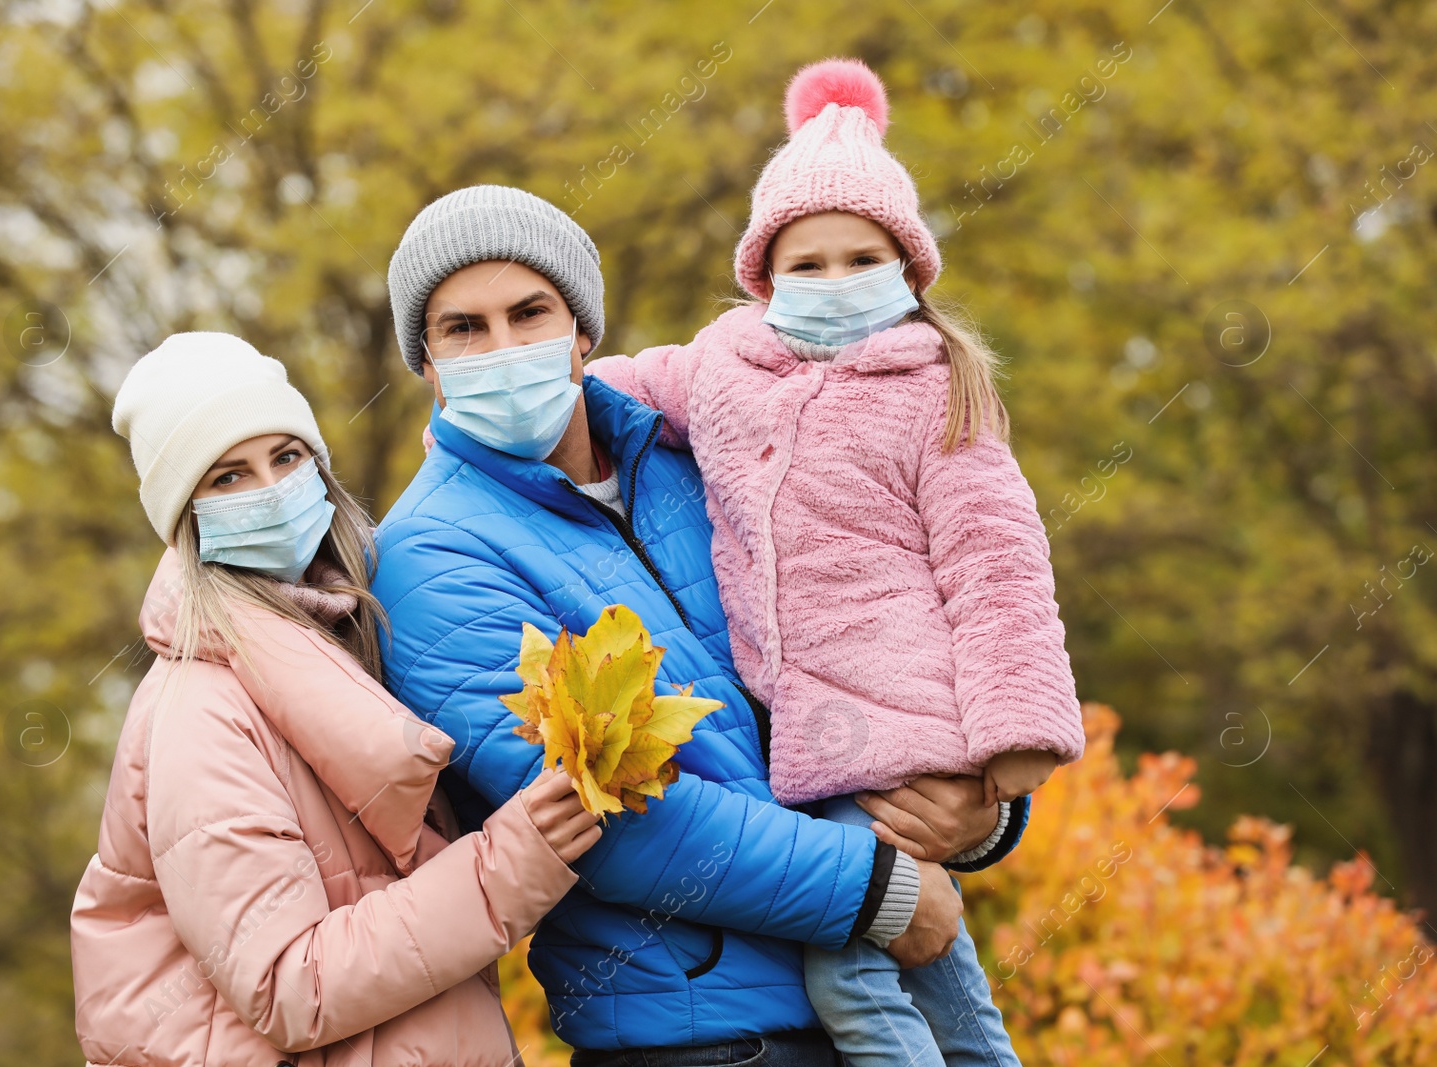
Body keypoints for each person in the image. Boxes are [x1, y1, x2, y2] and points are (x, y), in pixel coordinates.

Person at [372, 184, 1030, 1065]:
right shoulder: (429, 555)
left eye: (530, 312)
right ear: (425, 361)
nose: (502, 348)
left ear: (583, 332)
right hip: (709, 1036)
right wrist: (880, 888)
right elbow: (608, 819)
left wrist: (978, 807)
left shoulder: (700, 447)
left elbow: (883, 611)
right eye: (463, 328)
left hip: (885, 997)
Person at [585, 59, 1087, 1067]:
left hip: (901, 723)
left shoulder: (937, 392)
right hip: (810, 740)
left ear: (908, 270)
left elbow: (996, 566)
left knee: (851, 973)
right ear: (764, 274)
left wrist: (1016, 735)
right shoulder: (724, 366)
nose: (832, 281)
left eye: (860, 257)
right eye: (805, 262)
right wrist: (514, 412)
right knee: (946, 974)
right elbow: (622, 384)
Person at [70, 332, 600, 1067]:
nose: (272, 490)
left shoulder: (340, 638)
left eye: (286, 458)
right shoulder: (202, 712)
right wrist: (506, 866)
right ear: (186, 517)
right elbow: (292, 985)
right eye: (227, 477)